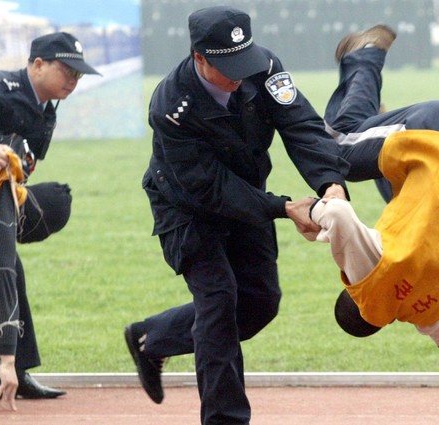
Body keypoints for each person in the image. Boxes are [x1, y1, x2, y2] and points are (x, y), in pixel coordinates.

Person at [124, 6, 350, 425]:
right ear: (199, 59)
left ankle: (150, 337)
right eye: (227, 68)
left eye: (243, 63)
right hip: (186, 206)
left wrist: (330, 182)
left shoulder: (263, 68)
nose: (240, 76)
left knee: (261, 303)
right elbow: (206, 186)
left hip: (248, 194)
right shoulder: (171, 106)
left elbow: (299, 123)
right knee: (218, 302)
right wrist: (282, 208)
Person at [290, 25, 439, 377]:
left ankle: (379, 126)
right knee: (337, 145)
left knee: (400, 202)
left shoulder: (427, 312)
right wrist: (310, 211)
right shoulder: (368, 276)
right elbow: (337, 213)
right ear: (355, 292)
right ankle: (366, 54)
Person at [0, 31, 101, 412]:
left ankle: (18, 371)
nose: (73, 80)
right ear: (38, 64)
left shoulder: (46, 108)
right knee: (3, 264)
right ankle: (12, 363)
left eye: (79, 74)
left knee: (55, 202)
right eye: (67, 70)